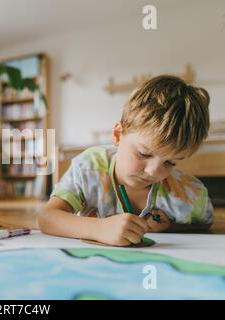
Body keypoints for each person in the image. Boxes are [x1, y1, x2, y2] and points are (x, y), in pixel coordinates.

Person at [39, 75, 213, 246]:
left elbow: (205, 225)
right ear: (117, 134)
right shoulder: (88, 168)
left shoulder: (191, 194)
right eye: (144, 154)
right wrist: (98, 229)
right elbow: (47, 218)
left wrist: (171, 227)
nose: (153, 171)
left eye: (170, 162)